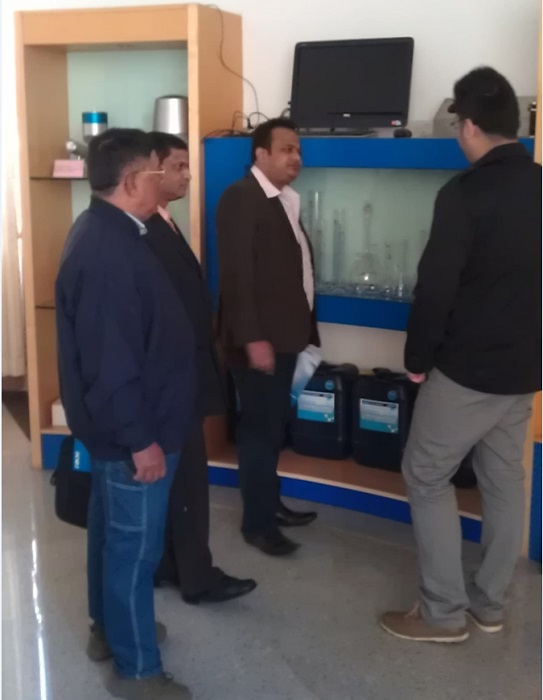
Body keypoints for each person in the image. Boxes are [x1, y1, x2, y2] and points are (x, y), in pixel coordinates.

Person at [380, 67, 542, 643]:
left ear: (469, 125)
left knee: (425, 474)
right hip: (524, 371)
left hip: (467, 371)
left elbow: (436, 289)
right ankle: (490, 605)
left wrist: (416, 358)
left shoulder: (464, 195)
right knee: (504, 480)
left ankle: (442, 612)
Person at [56, 128, 195, 699]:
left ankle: (110, 631)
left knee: (110, 536)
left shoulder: (107, 230)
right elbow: (112, 365)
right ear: (136, 180)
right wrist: (141, 441)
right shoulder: (109, 253)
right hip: (133, 432)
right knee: (134, 551)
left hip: (119, 429)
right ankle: (137, 669)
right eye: (161, 172)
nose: (168, 181)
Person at [144, 131, 257, 603]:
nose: (188, 175)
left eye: (188, 165)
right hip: (171, 380)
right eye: (178, 166)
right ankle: (196, 576)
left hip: (183, 374)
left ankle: (170, 564)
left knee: (183, 479)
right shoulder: (144, 231)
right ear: (150, 169)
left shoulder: (164, 223)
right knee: (188, 480)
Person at [216, 118, 320, 557]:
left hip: (285, 337)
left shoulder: (284, 200)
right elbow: (237, 275)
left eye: (298, 150)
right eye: (286, 149)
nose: (296, 157)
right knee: (259, 431)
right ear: (260, 154)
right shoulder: (242, 197)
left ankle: (270, 504)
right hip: (259, 341)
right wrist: (253, 339)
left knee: (273, 427)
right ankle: (257, 524)